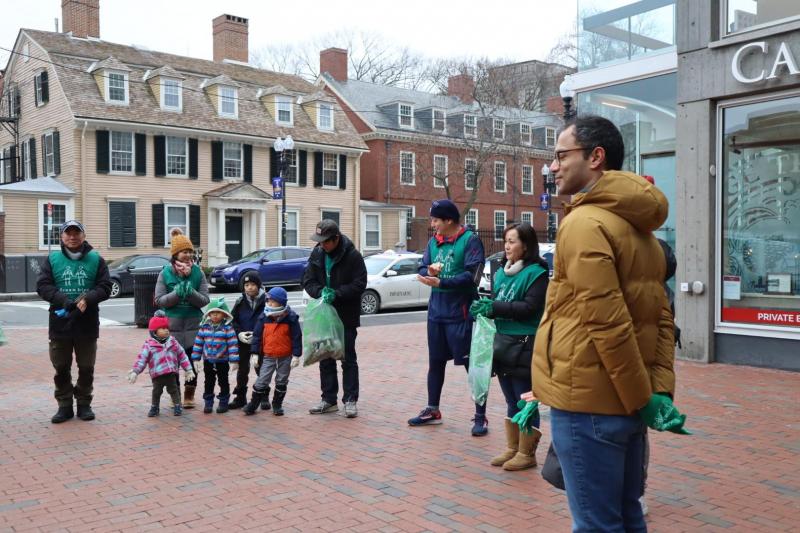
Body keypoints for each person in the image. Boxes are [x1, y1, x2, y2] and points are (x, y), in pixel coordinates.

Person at [532, 115, 678, 532]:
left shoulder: (583, 223)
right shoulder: (644, 232)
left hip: (587, 406)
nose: (553, 166)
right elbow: (662, 319)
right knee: (628, 515)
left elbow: (607, 323)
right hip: (627, 403)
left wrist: (642, 397)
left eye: (561, 155)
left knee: (597, 525)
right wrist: (655, 394)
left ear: (595, 157)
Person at [471, 222, 549, 469]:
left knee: (525, 398)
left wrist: (495, 308)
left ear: (526, 245)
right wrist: (484, 309)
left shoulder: (537, 273)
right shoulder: (501, 272)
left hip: (526, 344)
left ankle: (527, 453)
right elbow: (498, 302)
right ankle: (513, 448)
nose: (507, 246)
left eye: (512, 241)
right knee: (510, 398)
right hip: (503, 342)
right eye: (506, 241)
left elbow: (530, 308)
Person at [408, 199, 486, 435]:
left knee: (471, 366)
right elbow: (422, 268)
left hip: (460, 314)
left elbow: (472, 276)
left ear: (449, 220)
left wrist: (442, 281)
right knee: (435, 362)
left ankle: (481, 416)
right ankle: (433, 409)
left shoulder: (470, 241)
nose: (432, 225)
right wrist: (429, 271)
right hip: (436, 314)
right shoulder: (434, 242)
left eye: (435, 220)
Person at [37, 220, 112, 423]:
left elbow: (105, 286)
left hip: (86, 323)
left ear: (83, 236)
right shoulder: (52, 259)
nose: (72, 237)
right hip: (60, 323)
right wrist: (63, 300)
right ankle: (64, 405)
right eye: (68, 233)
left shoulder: (96, 259)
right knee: (61, 366)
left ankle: (84, 403)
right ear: (62, 237)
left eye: (76, 233)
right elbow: (43, 286)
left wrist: (88, 298)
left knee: (86, 367)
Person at [301, 219, 367, 418]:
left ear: (336, 238)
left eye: (325, 241)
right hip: (324, 316)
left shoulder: (353, 256)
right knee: (326, 357)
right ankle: (329, 400)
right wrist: (321, 291)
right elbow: (307, 280)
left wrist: (337, 293)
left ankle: (350, 400)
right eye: (319, 241)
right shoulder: (317, 254)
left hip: (345, 315)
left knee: (347, 358)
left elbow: (360, 284)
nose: (322, 245)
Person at [154, 228, 210, 409]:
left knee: (192, 362)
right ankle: (175, 395)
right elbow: (159, 300)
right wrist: (177, 294)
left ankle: (189, 394)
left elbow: (204, 300)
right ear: (175, 254)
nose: (188, 255)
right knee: (172, 364)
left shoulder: (198, 273)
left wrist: (191, 292)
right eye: (184, 252)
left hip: (194, 325)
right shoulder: (165, 273)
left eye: (190, 252)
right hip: (172, 327)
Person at [243, 287, 302, 416]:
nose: (268, 303)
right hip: (268, 355)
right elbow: (257, 336)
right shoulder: (264, 316)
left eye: (272, 301)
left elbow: (296, 337)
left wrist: (296, 355)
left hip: (285, 356)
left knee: (282, 380)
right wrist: (254, 353)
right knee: (262, 379)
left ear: (281, 302)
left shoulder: (290, 317)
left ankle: (277, 404)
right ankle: (253, 404)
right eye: (268, 300)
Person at [127, 310, 192, 417]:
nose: (166, 330)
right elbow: (142, 359)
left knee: (174, 390)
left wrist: (188, 369)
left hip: (171, 373)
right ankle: (154, 407)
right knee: (156, 392)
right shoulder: (149, 345)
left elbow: (182, 354)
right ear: (154, 331)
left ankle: (177, 405)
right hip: (157, 375)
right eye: (163, 328)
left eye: (167, 328)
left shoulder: (172, 341)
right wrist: (135, 371)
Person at [191, 298, 239, 414]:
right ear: (208, 314)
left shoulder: (227, 328)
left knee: (223, 381)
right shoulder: (204, 328)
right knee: (208, 382)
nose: (215, 315)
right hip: (208, 360)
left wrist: (234, 361)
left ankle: (223, 402)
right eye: (212, 313)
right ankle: (208, 402)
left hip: (222, 361)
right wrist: (196, 358)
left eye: (218, 313)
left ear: (224, 314)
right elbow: (198, 343)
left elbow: (233, 345)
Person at [229, 271, 267, 410]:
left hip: (260, 341)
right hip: (243, 342)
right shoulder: (240, 302)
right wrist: (239, 334)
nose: (249, 288)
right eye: (246, 285)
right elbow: (233, 320)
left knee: (261, 369)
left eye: (252, 284)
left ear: (258, 285)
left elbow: (269, 321)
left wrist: (258, 334)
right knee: (242, 370)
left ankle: (263, 396)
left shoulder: (267, 301)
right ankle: (240, 397)